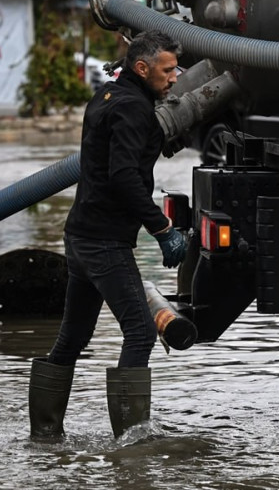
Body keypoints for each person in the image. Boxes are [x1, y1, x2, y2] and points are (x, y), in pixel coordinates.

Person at [28, 31, 189, 440]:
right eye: (168, 70)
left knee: (72, 338)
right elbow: (123, 177)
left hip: (79, 236)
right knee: (139, 331)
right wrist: (163, 228)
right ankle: (131, 442)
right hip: (104, 242)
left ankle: (45, 435)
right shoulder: (134, 109)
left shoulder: (107, 97)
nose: (174, 78)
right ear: (142, 68)